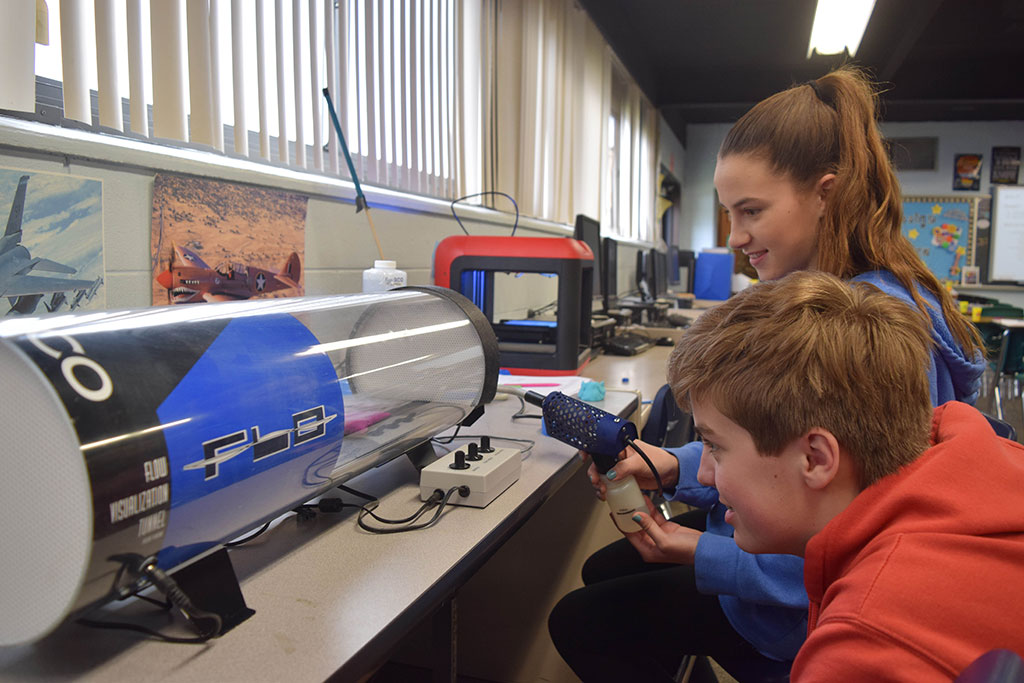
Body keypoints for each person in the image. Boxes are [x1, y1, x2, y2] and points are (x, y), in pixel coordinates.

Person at [547, 65, 986, 682]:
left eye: (751, 210)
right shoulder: (832, 300)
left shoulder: (867, 329)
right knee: (606, 574)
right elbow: (774, 441)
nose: (736, 237)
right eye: (729, 214)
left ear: (826, 194)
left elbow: (855, 546)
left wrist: (700, 552)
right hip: (783, 559)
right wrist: (676, 465)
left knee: (583, 620)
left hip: (800, 607)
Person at [638, 270, 1024, 679]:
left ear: (817, 459)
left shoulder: (860, 647)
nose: (705, 472)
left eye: (715, 447)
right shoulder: (967, 449)